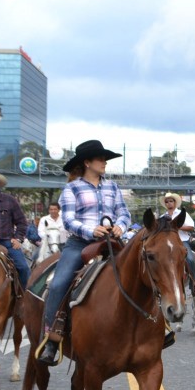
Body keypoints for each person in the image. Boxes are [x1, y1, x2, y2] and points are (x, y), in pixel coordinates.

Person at [36, 140, 130, 366]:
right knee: (58, 284)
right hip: (80, 243)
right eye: (100, 158)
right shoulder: (72, 188)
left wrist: (121, 226)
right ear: (87, 162)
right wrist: (91, 229)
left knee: (142, 268)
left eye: (105, 159)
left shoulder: (113, 187)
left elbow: (124, 213)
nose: (104, 162)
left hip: (113, 241)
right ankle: (52, 338)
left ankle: (159, 324)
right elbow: (68, 220)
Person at [162, 192, 195, 295]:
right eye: (167, 202)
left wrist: (176, 226)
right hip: (167, 242)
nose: (169, 203)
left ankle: (193, 283)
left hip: (181, 241)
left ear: (175, 203)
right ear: (165, 204)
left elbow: (191, 227)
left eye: (171, 201)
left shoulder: (182, 214)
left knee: (190, 259)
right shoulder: (163, 216)